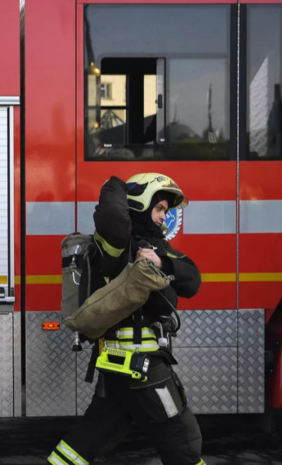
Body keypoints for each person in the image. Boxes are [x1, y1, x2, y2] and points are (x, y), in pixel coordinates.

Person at [47, 173, 205, 465]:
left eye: (166, 211)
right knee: (183, 440)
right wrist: (118, 182)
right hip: (142, 367)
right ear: (141, 204)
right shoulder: (117, 242)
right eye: (159, 208)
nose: (164, 217)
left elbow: (192, 280)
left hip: (117, 370)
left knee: (84, 442)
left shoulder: (158, 247)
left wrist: (161, 261)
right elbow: (110, 215)